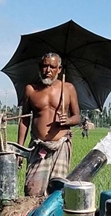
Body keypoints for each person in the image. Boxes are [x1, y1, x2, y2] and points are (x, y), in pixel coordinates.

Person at [17, 52, 81, 197]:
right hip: (38, 145)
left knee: (57, 189)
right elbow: (24, 120)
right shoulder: (31, 89)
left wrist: (68, 120)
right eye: (45, 66)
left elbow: (77, 117)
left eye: (52, 67)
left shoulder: (68, 89)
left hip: (61, 145)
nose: (48, 70)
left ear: (59, 69)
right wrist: (20, 150)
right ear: (40, 67)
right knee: (32, 189)